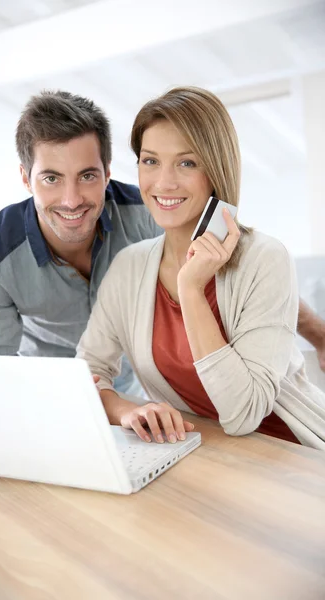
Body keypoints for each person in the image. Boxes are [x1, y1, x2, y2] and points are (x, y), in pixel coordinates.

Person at [0, 89, 324, 394]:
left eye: (87, 175)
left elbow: (245, 272)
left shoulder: (151, 214)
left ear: (107, 172)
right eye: (51, 179)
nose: (72, 199)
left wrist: (319, 336)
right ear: (26, 179)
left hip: (145, 391)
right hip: (57, 394)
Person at [76, 86, 325, 450]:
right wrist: (122, 409)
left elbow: (243, 414)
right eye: (150, 161)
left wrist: (191, 289)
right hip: (202, 453)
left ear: (216, 169)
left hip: (291, 455)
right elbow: (87, 370)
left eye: (186, 163)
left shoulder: (266, 259)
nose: (163, 182)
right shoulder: (129, 266)